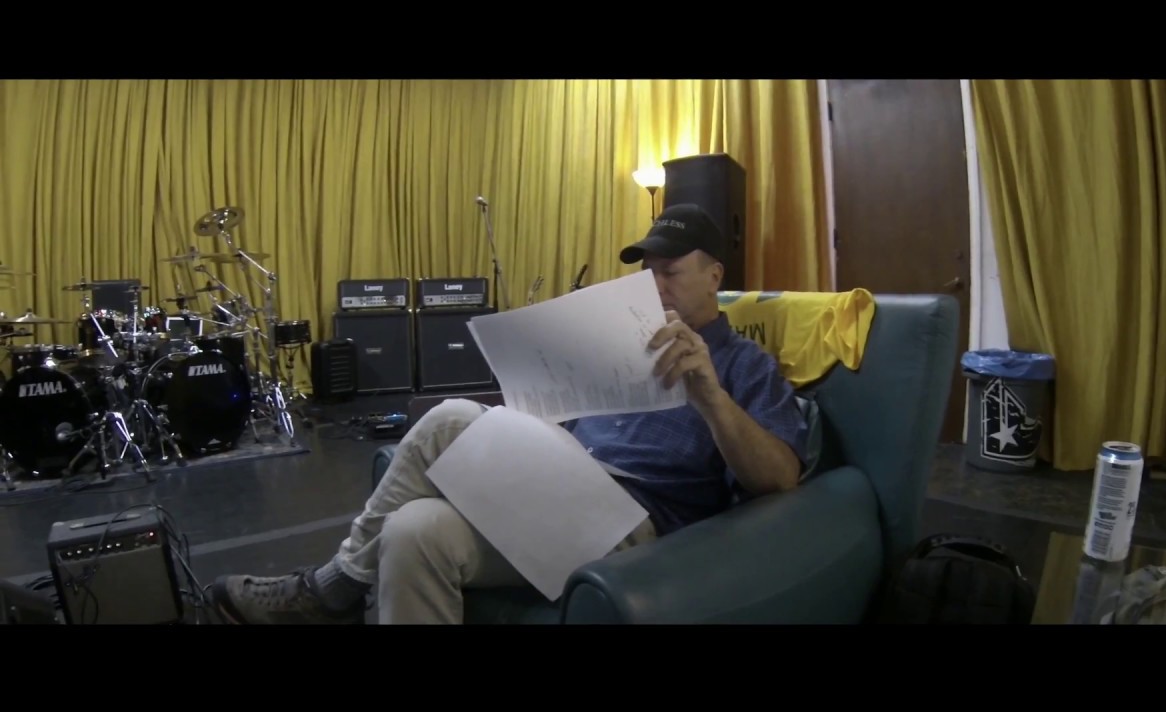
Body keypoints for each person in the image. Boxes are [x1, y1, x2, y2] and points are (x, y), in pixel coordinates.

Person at [209, 203, 809, 624]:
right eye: (647, 271)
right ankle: (341, 585)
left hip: (636, 522)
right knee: (412, 530)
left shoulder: (744, 364)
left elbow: (780, 477)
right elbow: (562, 437)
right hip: (565, 492)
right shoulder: (619, 340)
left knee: (449, 419)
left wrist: (710, 396)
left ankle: (331, 589)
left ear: (714, 275)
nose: (655, 285)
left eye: (671, 272)